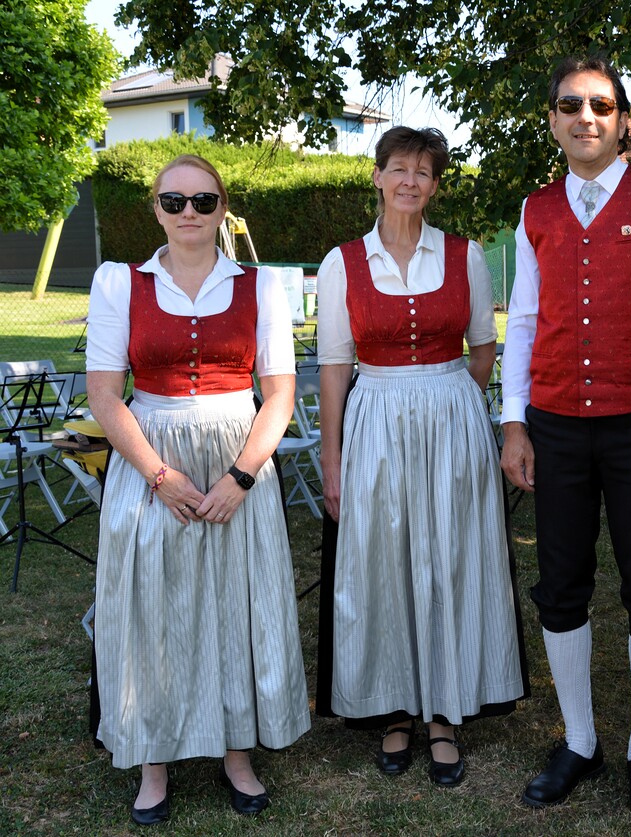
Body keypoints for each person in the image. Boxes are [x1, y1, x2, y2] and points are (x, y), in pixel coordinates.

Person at [501, 56, 631, 819]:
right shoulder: (536, 208)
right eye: (570, 105)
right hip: (555, 424)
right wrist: (514, 419)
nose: (584, 117)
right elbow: (523, 320)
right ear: (553, 120)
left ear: (622, 119)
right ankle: (582, 739)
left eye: (600, 104)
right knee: (561, 581)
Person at [87, 154, 310, 825]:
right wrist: (159, 474)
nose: (189, 212)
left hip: (238, 451)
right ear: (156, 209)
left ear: (223, 209)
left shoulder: (261, 286)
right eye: (175, 200)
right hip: (150, 454)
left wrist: (242, 476)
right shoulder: (119, 283)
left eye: (204, 201)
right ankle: (152, 758)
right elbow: (105, 394)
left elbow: (280, 394)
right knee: (151, 606)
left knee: (237, 602)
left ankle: (237, 752)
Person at [315, 126, 527, 788]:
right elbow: (333, 367)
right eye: (399, 168)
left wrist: (452, 401)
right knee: (384, 558)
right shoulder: (343, 262)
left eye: (424, 171)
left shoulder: (464, 256)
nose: (411, 181)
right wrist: (332, 458)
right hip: (375, 415)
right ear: (377, 176)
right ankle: (394, 707)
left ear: (435, 185)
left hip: (451, 415)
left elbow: (483, 347)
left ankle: (444, 711)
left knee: (451, 557)